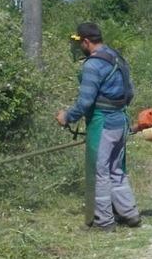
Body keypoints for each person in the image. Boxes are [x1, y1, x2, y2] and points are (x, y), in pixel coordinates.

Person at [56, 22, 141, 231]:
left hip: (103, 122)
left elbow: (85, 102)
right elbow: (130, 92)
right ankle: (130, 214)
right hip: (121, 120)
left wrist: (67, 117)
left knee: (100, 171)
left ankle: (104, 221)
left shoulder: (93, 65)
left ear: (86, 41)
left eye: (80, 42)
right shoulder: (116, 57)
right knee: (116, 169)